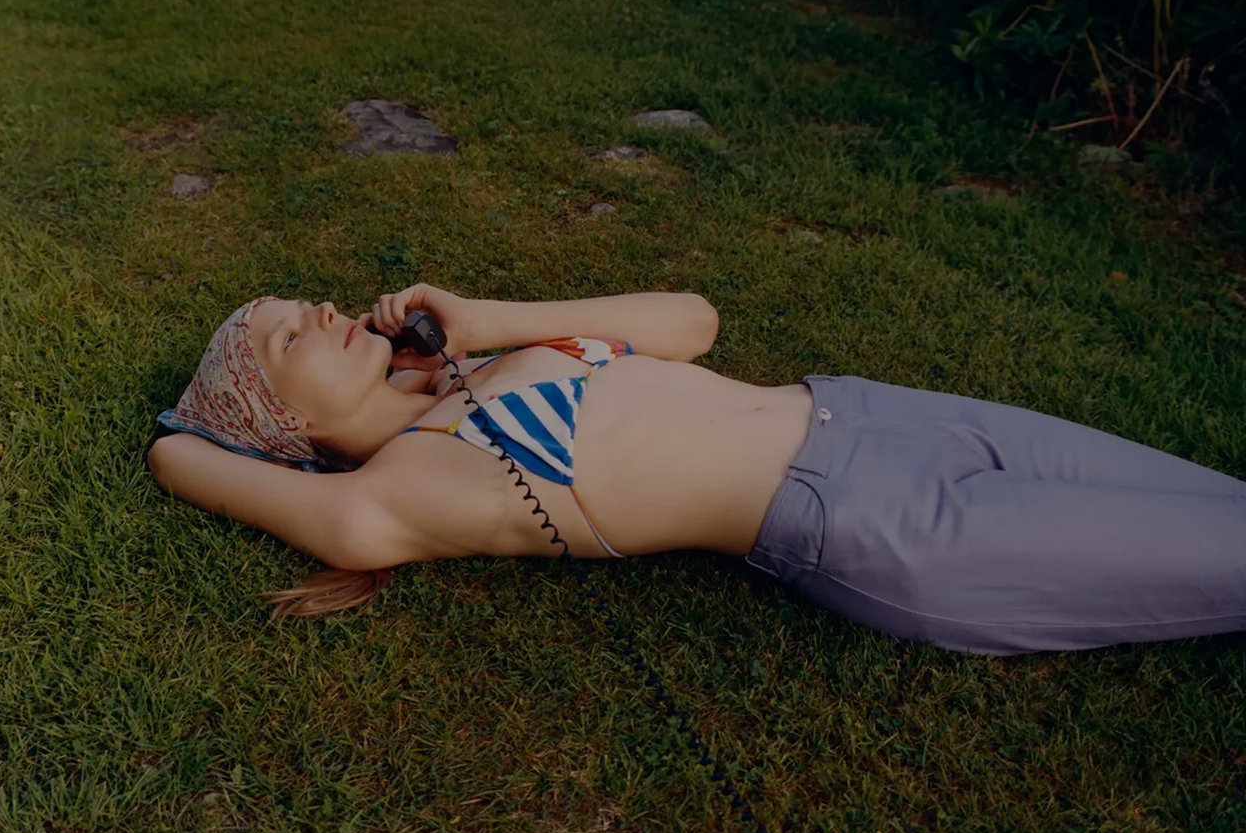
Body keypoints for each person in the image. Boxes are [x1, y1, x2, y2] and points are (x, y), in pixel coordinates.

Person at [146, 284, 1246, 655]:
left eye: (309, 304)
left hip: (873, 412)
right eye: (290, 337)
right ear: (282, 423)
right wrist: (184, 431)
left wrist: (486, 318)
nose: (325, 313)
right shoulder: (401, 486)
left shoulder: (482, 362)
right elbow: (181, 455)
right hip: (870, 520)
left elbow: (691, 319)